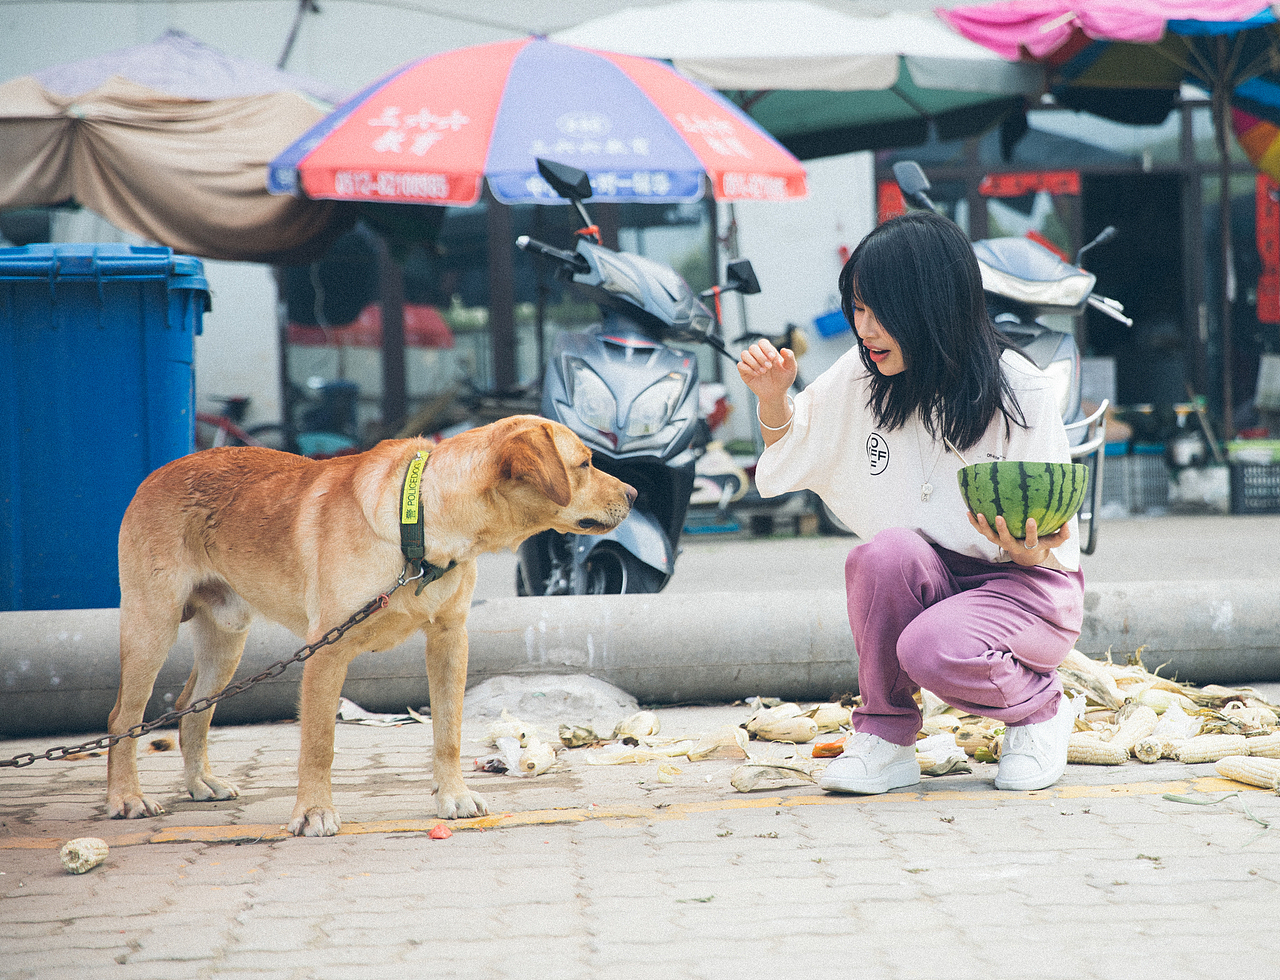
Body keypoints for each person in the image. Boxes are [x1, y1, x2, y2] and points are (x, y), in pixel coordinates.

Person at [737, 209, 1083, 795]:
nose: (865, 329)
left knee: (930, 647)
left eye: (881, 312)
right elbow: (793, 451)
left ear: (932, 308)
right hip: (931, 577)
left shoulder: (1019, 389)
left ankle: (1040, 710)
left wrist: (1024, 548)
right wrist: (773, 398)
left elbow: (1052, 546)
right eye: (858, 309)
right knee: (882, 554)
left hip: (1026, 587)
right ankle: (885, 736)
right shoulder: (862, 373)